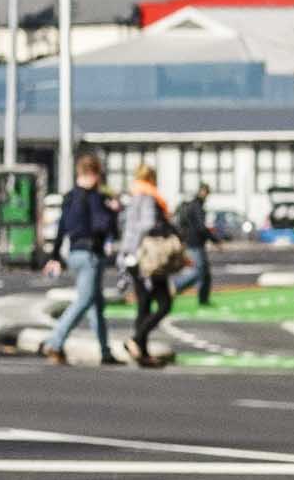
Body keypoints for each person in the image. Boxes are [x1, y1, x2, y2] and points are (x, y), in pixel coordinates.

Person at [41, 152, 122, 366]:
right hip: (90, 255)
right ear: (94, 174)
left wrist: (54, 256)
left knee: (96, 305)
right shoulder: (95, 197)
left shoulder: (69, 197)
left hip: (74, 252)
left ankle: (105, 351)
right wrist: (113, 212)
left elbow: (61, 228)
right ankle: (54, 342)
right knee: (85, 300)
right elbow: (102, 226)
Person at [122, 162, 189, 368]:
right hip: (149, 256)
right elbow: (148, 224)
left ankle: (141, 351)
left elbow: (128, 227)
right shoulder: (149, 196)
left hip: (135, 256)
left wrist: (127, 252)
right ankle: (136, 340)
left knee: (144, 303)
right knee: (164, 303)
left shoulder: (134, 195)